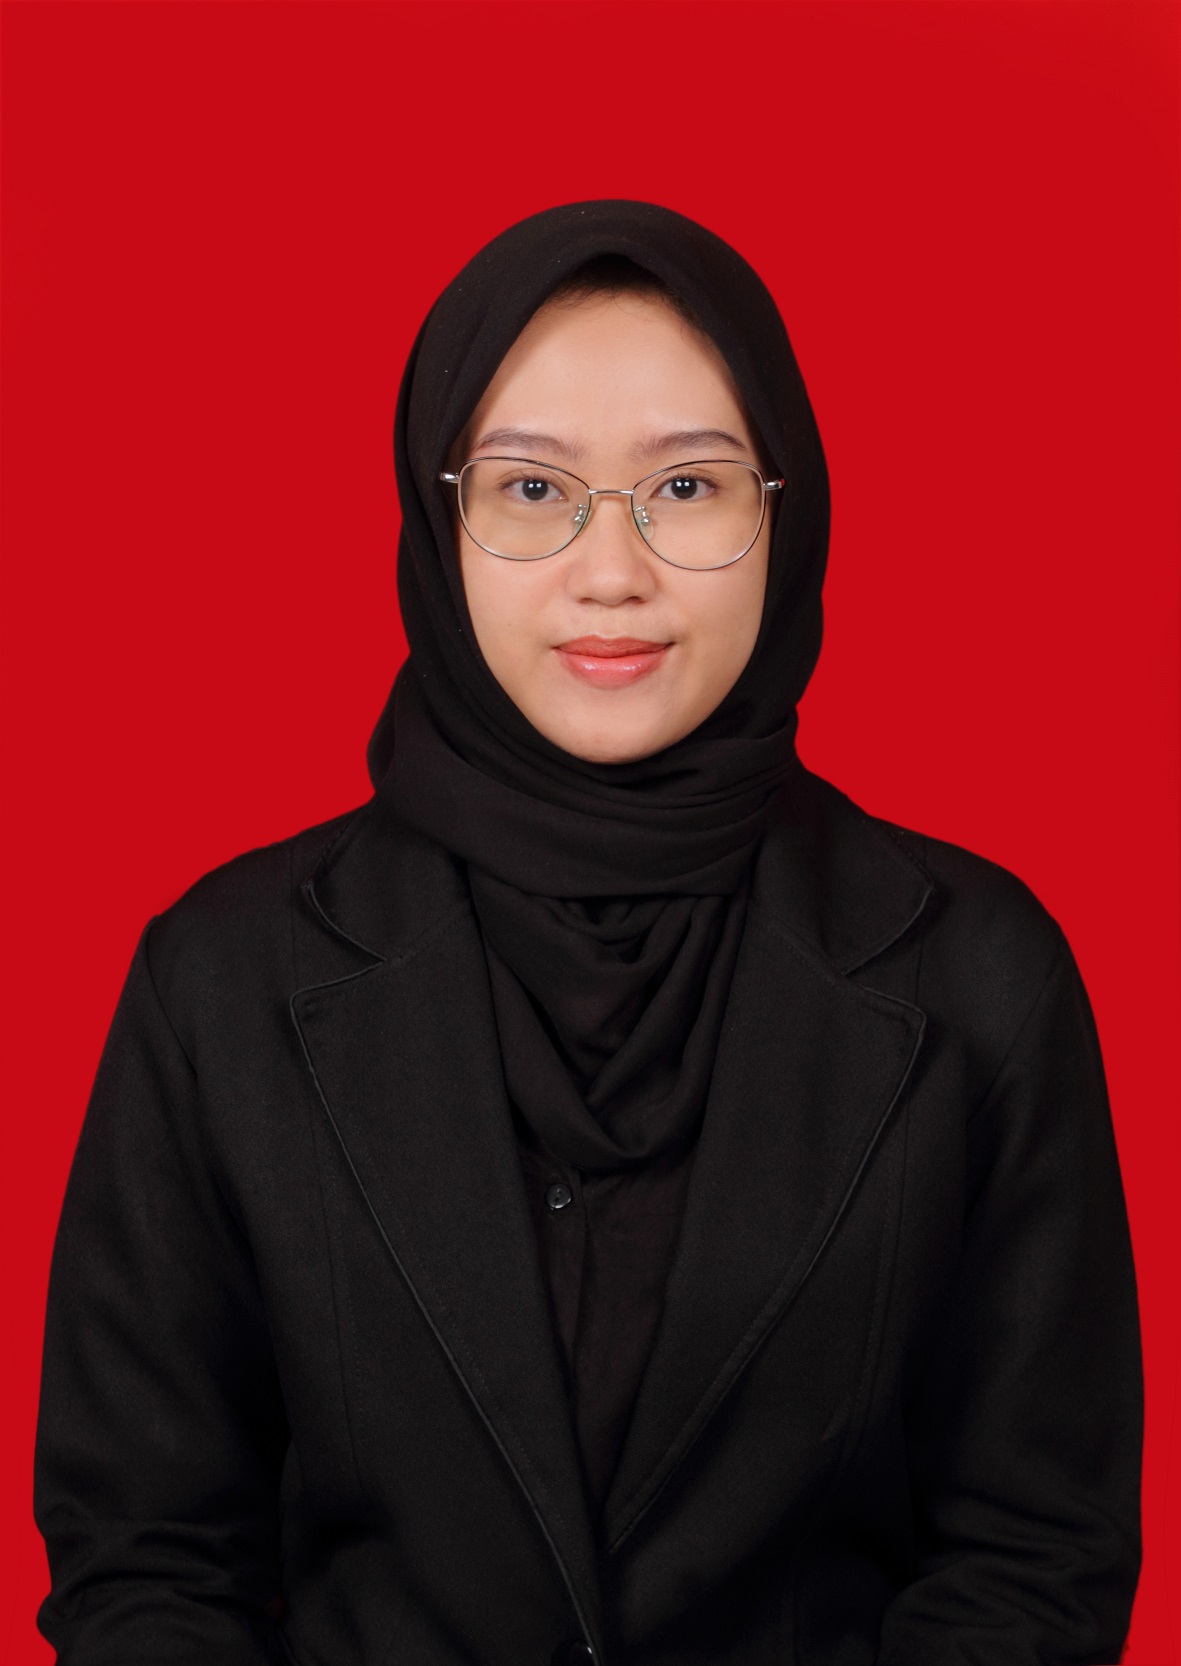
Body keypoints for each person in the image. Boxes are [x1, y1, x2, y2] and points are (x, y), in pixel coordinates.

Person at [34, 200, 1142, 1666]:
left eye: (686, 485)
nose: (610, 570)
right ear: (438, 519)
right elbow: (145, 1552)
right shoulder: (223, 978)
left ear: (785, 510)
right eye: (529, 488)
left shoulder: (981, 974)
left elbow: (1033, 1556)